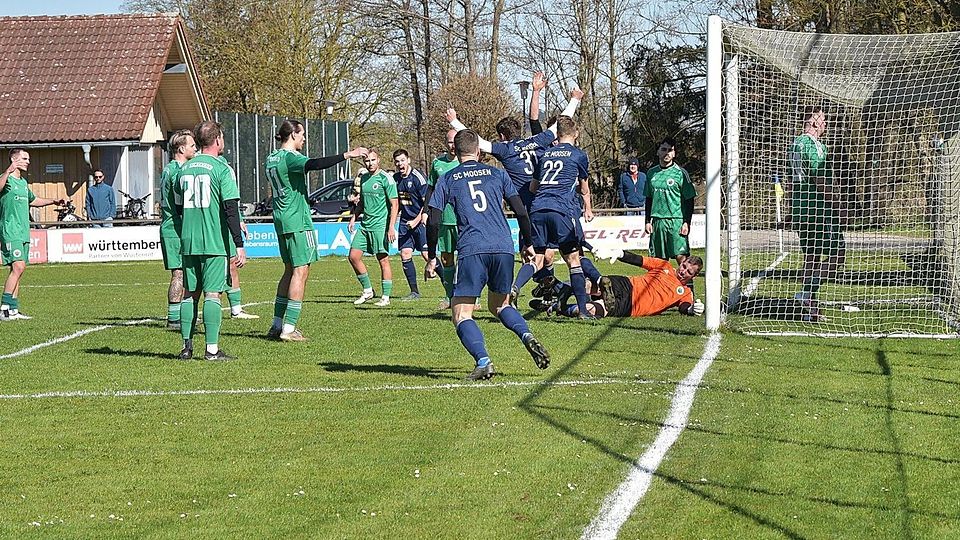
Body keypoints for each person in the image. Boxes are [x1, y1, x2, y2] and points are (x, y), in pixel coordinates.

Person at [424, 129, 549, 381]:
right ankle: (526, 334)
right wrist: (527, 244)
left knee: (461, 313)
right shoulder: (498, 173)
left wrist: (432, 255)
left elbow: (434, 219)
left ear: (455, 152)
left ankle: (483, 361)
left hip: (472, 248)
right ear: (478, 151)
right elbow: (521, 211)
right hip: (503, 247)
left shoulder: (448, 178)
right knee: (500, 305)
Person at [266, 119, 367, 341]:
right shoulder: (290, 157)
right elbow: (314, 164)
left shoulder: (271, 158)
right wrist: (347, 155)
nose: (304, 139)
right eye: (302, 135)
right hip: (297, 220)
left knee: (289, 270)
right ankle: (289, 329)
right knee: (301, 271)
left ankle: (276, 325)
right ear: (293, 135)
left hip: (281, 218)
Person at [174, 121, 246, 360]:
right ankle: (212, 350)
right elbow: (230, 209)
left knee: (189, 293)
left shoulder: (183, 169)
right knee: (213, 294)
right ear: (217, 140)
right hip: (214, 241)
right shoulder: (221, 169)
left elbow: (177, 205)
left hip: (188, 241)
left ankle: (186, 347)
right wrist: (239, 244)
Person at [525, 116, 596, 319]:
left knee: (538, 256)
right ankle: (583, 309)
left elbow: (533, 187)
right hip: (562, 209)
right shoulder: (578, 155)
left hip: (538, 209)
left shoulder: (545, 154)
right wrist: (587, 208)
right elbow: (584, 187)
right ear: (576, 134)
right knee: (573, 259)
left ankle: (516, 288)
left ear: (557, 135)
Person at [788, 105, 845, 321]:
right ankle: (806, 293)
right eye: (823, 120)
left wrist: (792, 210)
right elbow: (821, 180)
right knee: (838, 255)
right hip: (819, 209)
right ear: (813, 122)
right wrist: (839, 206)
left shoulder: (794, 145)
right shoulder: (813, 146)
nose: (825, 124)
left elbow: (792, 181)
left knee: (811, 258)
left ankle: (810, 308)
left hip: (802, 210)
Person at [539, 248, 704, 319]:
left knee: (590, 311)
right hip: (626, 284)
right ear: (681, 263)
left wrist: (691, 309)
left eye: (689, 272)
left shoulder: (685, 294)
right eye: (684, 266)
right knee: (591, 286)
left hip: (629, 307)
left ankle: (556, 303)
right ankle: (558, 289)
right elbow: (638, 260)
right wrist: (618, 252)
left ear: (694, 276)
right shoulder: (664, 266)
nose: (683, 271)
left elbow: (684, 307)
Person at [0, 150, 63, 321]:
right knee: (19, 266)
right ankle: (3, 308)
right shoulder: (6, 180)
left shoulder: (22, 183)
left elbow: (33, 200)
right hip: (10, 231)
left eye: (28, 159)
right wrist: (7, 170)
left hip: (23, 232)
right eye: (24, 159)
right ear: (14, 160)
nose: (28, 161)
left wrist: (53, 201)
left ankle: (13, 309)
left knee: (17, 270)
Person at [348, 150, 399, 307]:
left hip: (379, 225)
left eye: (373, 160)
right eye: (367, 161)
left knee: (383, 260)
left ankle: (385, 297)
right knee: (353, 256)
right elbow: (362, 202)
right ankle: (368, 290)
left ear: (379, 160)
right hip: (365, 225)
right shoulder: (363, 178)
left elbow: (394, 204)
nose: (370, 163)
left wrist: (391, 227)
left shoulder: (386, 179)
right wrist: (354, 218)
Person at [159, 129, 196, 330]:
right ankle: (174, 319)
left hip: (169, 225)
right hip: (176, 227)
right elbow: (181, 204)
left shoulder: (167, 169)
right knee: (179, 273)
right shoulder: (179, 172)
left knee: (181, 272)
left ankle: (178, 316)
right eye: (191, 146)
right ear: (181, 148)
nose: (195, 149)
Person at [422, 129, 460, 309]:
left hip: (463, 219)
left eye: (455, 142)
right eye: (450, 142)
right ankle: (450, 297)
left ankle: (473, 298)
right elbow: (430, 189)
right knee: (446, 259)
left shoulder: (466, 162)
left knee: (468, 259)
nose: (453, 146)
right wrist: (425, 211)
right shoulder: (437, 163)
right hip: (445, 218)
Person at [644, 137, 696, 265]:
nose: (667, 153)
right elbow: (649, 198)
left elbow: (689, 200)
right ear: (658, 152)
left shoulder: (681, 173)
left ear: (674, 153)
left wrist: (686, 222)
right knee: (658, 262)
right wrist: (647, 221)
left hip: (676, 221)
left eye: (670, 150)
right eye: (663, 149)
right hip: (657, 222)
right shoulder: (651, 173)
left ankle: (687, 285)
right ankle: (662, 285)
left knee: (682, 259)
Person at [393, 149, 429, 301]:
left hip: (420, 221)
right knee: (405, 254)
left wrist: (417, 220)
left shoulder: (418, 178)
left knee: (427, 255)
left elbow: (427, 202)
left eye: (402, 160)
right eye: (397, 161)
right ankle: (414, 292)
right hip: (404, 222)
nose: (400, 164)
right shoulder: (395, 179)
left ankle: (449, 289)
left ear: (408, 160)